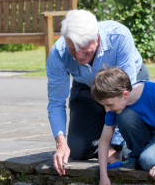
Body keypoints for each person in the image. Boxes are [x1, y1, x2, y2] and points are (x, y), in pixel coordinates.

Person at [46, 10, 149, 176]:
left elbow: (125, 93)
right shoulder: (59, 52)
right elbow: (56, 102)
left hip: (127, 86)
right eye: (73, 49)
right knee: (78, 150)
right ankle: (105, 130)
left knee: (132, 149)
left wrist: (115, 145)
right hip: (88, 86)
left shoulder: (120, 36)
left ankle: (125, 137)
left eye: (84, 48)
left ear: (97, 36)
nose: (79, 56)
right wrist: (61, 144)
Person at [91, 67, 155, 185]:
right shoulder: (115, 106)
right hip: (142, 140)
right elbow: (104, 141)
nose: (107, 109)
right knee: (124, 116)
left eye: (109, 105)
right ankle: (136, 156)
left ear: (125, 94)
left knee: (148, 161)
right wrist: (103, 176)